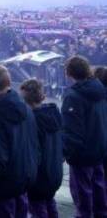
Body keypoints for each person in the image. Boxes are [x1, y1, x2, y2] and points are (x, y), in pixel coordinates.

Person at [0, 63, 40, 218]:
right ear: (8, 81)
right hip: (25, 176)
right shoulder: (26, 107)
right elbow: (33, 141)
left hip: (4, 185)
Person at [61, 56, 107, 217]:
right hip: (100, 149)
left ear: (69, 73)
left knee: (83, 199)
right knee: (100, 194)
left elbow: (72, 131)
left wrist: (68, 153)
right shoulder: (100, 89)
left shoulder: (73, 96)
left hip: (83, 155)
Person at [20, 78, 63, 218]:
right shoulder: (54, 113)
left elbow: (33, 152)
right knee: (50, 204)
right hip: (54, 172)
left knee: (38, 210)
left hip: (38, 177)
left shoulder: (32, 121)